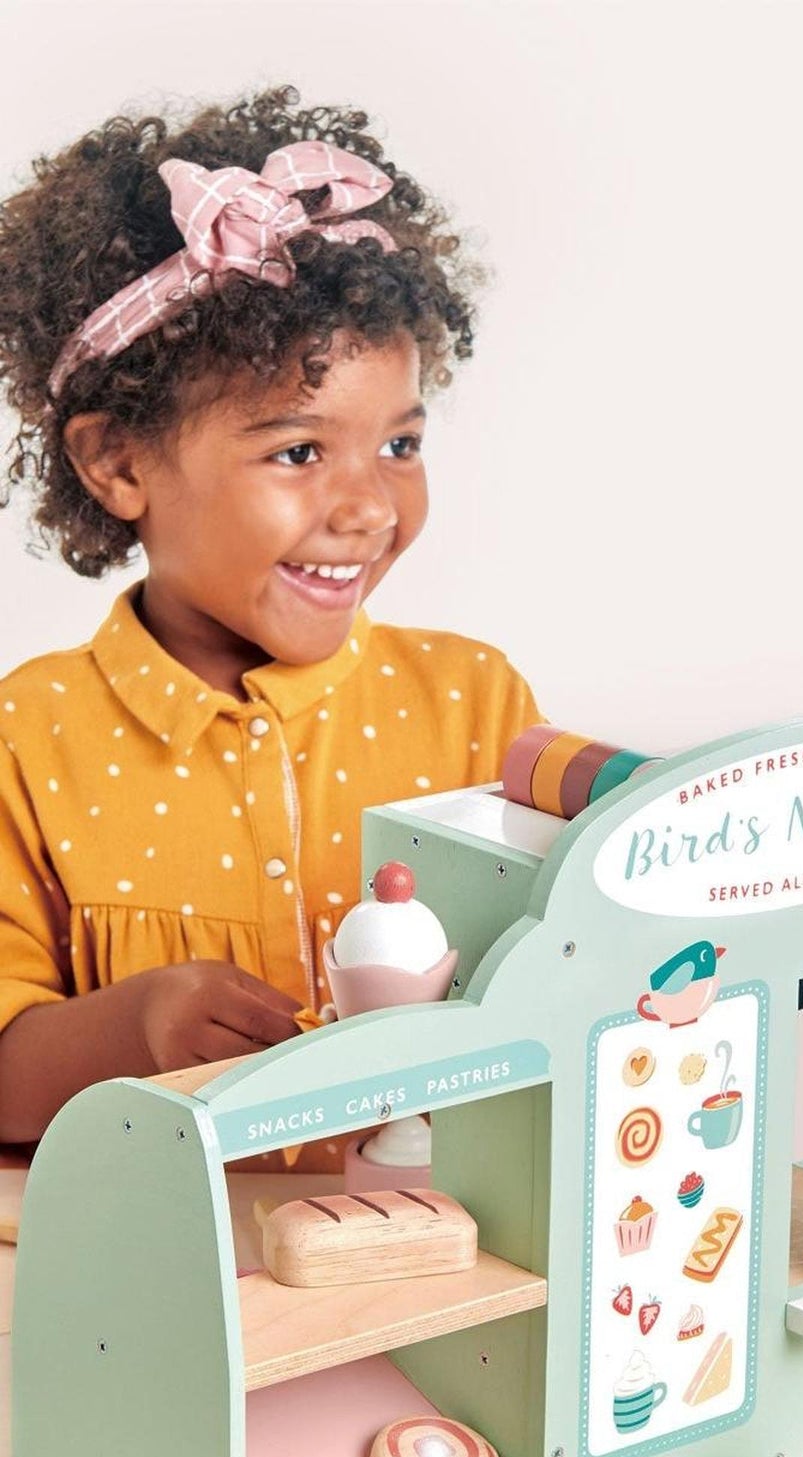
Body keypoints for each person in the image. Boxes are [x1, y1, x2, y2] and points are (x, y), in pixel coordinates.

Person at [0, 86, 543, 1168]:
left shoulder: (474, 705)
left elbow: (557, 986)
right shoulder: (29, 739)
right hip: (160, 1288)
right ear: (117, 463)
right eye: (299, 452)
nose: (369, 509)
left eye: (398, 444)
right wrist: (135, 1027)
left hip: (433, 1277)